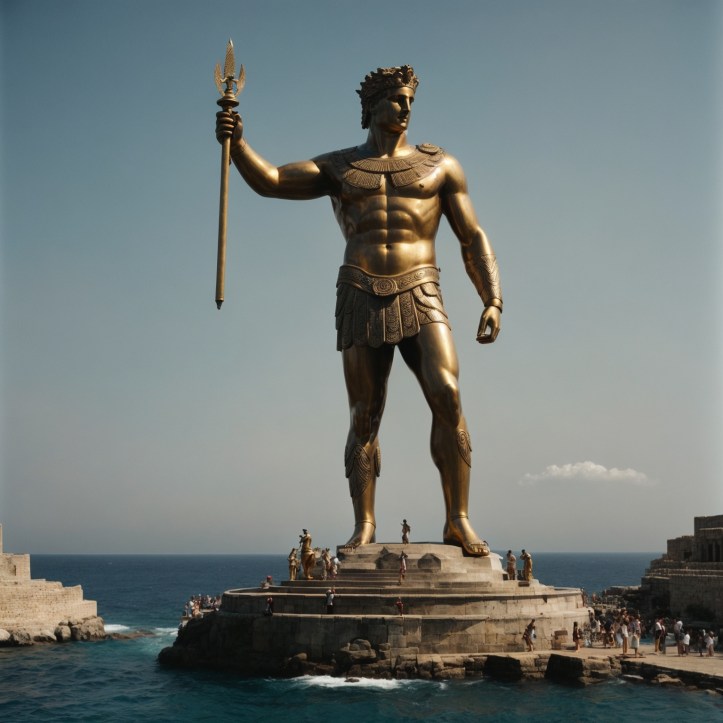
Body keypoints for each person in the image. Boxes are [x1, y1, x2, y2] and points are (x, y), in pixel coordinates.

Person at [216, 65, 503, 557]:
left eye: (409, 99)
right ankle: (364, 523)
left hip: (422, 288)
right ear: (370, 107)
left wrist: (492, 297)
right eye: (395, 98)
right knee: (364, 415)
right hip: (360, 291)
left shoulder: (441, 166)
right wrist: (238, 143)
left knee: (448, 395)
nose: (405, 107)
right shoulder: (341, 167)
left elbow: (471, 236)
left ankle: (458, 518)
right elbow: (273, 180)